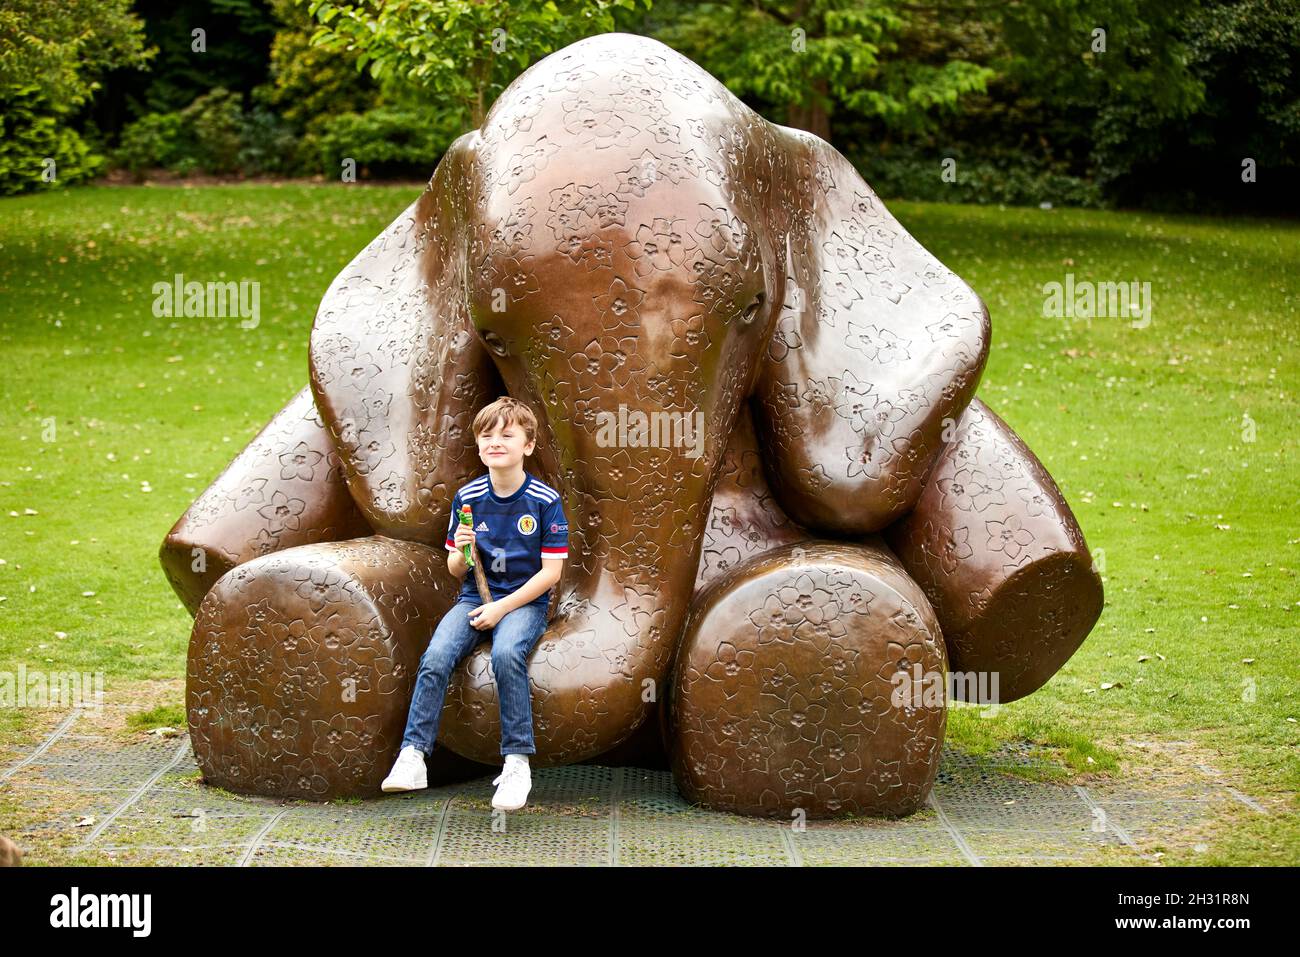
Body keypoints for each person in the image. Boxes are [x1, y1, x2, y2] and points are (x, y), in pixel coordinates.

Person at [380, 396, 568, 810]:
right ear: (478, 445)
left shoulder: (543, 500)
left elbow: (550, 574)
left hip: (524, 601)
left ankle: (517, 762)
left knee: (506, 655)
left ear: (528, 445)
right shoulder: (468, 498)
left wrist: (501, 609)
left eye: (507, 434)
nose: (495, 442)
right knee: (436, 656)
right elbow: (455, 568)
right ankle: (413, 755)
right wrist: (461, 550)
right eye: (487, 435)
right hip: (473, 597)